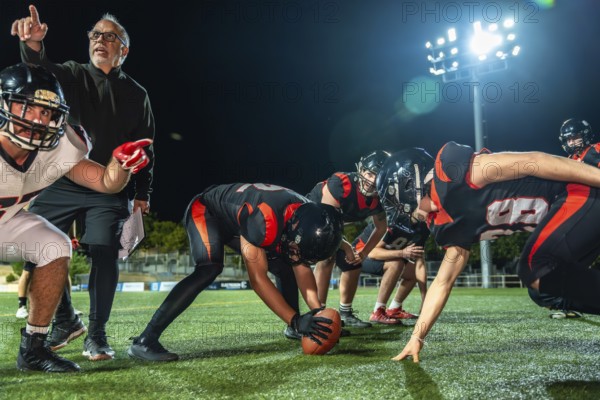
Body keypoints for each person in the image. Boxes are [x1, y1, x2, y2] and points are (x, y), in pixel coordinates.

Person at [11, 5, 155, 360]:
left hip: (110, 185)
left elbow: (146, 146)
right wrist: (32, 46)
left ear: (124, 49)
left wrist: (141, 194)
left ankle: (97, 335)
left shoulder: (137, 95)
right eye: (95, 34)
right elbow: (40, 72)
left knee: (104, 251)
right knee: (36, 244)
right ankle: (65, 319)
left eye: (110, 36)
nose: (100, 40)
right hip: (63, 178)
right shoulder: (72, 74)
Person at [379, 144, 600, 362]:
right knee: (546, 292)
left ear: (409, 183)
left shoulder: (452, 172)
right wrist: (417, 337)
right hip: (575, 216)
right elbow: (442, 282)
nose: (399, 211)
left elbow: (534, 161)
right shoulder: (443, 223)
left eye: (395, 202)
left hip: (577, 193)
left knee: (535, 268)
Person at [127, 183, 344, 361]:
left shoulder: (305, 216)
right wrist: (296, 319)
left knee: (286, 265)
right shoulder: (264, 220)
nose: (299, 257)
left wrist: (318, 312)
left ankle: (294, 330)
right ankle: (146, 340)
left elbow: (301, 266)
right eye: (299, 250)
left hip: (240, 219)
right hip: (208, 209)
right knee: (209, 268)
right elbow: (258, 279)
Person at [307, 150, 390, 330]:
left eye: (378, 176)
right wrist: (348, 248)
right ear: (361, 170)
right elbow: (328, 224)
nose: (372, 180)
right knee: (327, 256)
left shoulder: (380, 198)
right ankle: (318, 313)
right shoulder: (341, 183)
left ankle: (346, 312)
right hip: (312, 218)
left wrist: (364, 253)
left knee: (353, 262)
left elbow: (381, 227)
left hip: (334, 222)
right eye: (369, 173)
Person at [350, 213, 428, 325]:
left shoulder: (423, 227)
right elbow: (372, 252)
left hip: (381, 257)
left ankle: (394, 309)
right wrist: (402, 252)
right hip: (358, 255)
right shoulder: (394, 219)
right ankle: (378, 311)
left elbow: (420, 264)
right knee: (396, 263)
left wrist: (425, 298)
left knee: (412, 271)